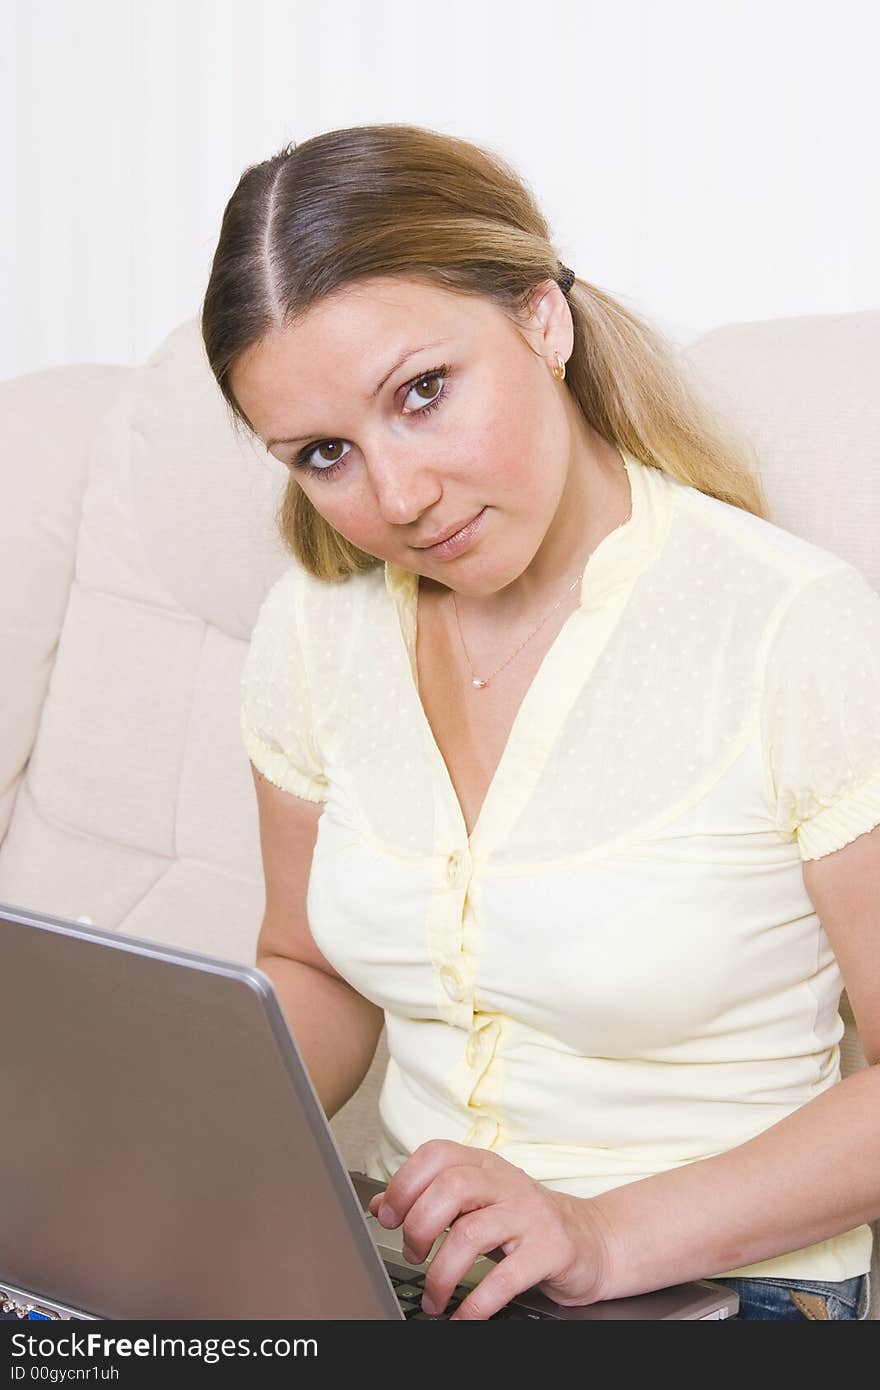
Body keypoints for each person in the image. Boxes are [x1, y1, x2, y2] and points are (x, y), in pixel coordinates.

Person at [200, 123, 878, 1321]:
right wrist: (183, 1153)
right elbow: (308, 963)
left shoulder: (796, 630)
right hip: (412, 1278)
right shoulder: (315, 626)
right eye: (323, 453)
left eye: (422, 392)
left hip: (719, 1287)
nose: (399, 499)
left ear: (540, 322)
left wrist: (599, 1234)